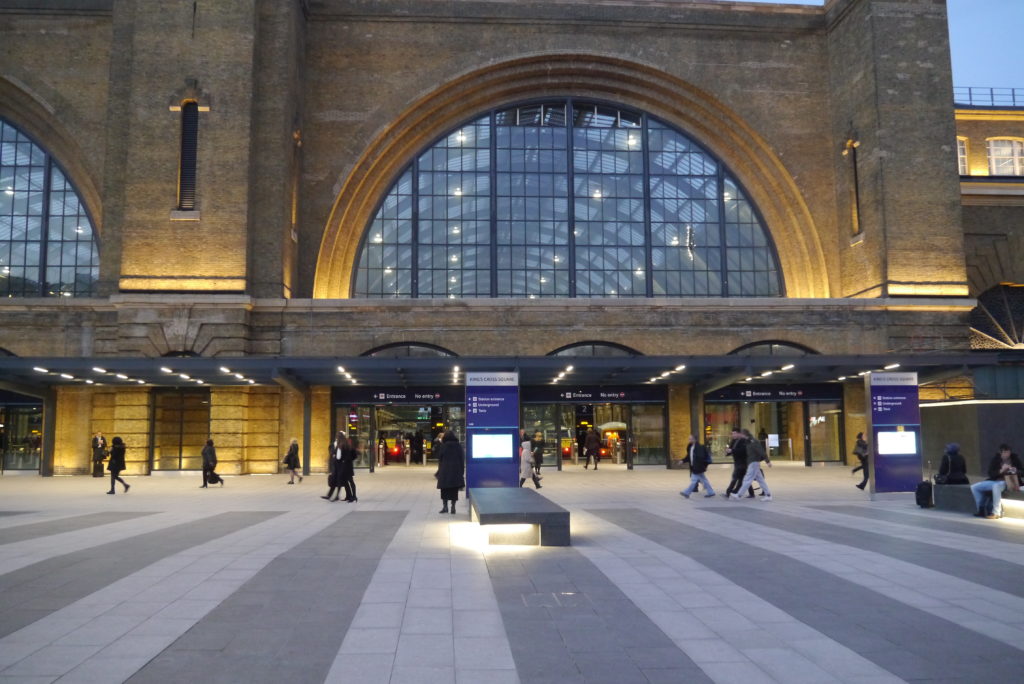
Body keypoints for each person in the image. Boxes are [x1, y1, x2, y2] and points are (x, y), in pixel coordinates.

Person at [970, 444, 1023, 519]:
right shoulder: (995, 459)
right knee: (975, 487)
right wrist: (1001, 470)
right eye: (1004, 452)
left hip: (1009, 482)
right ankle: (981, 509)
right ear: (1000, 452)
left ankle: (996, 512)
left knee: (996, 486)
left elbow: (1022, 472)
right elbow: (991, 474)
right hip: (995, 480)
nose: (1007, 454)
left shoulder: (1015, 459)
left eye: (1008, 452)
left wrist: (1015, 470)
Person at [730, 428, 772, 501]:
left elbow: (761, 451)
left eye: (741, 434)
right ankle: (768, 495)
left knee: (747, 479)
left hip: (754, 463)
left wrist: (767, 461)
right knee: (760, 480)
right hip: (752, 463)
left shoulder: (753, 442)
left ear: (744, 434)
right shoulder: (748, 442)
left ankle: (739, 495)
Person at [435, 430, 465, 514]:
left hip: (445, 471)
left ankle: (445, 507)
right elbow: (462, 459)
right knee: (454, 490)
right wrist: (461, 471)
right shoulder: (458, 446)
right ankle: (453, 507)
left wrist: (439, 471)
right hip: (455, 471)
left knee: (444, 490)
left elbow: (440, 459)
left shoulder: (443, 446)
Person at [680, 434, 715, 499]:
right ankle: (711, 492)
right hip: (695, 467)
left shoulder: (699, 447)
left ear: (694, 439)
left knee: (694, 480)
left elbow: (700, 458)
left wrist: (699, 466)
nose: (689, 440)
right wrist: (683, 460)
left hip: (698, 467)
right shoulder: (691, 447)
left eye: (690, 439)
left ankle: (687, 492)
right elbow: (689, 456)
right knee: (704, 480)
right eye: (689, 439)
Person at [723, 428, 752, 498]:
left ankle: (728, 492)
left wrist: (732, 450)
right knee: (743, 479)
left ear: (739, 433)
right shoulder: (733, 441)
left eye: (735, 433)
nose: (733, 435)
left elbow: (742, 451)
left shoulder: (743, 440)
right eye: (732, 433)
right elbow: (731, 449)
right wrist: (727, 452)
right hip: (737, 462)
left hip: (743, 462)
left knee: (735, 477)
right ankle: (751, 493)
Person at [322, 431, 346, 501]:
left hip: (339, 465)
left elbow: (339, 456)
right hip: (337, 465)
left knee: (338, 481)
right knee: (335, 480)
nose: (336, 437)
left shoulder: (342, 444)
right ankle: (330, 495)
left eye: (337, 436)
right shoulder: (337, 443)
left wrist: (335, 456)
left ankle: (336, 496)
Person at [340, 436, 358, 502]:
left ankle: (353, 496)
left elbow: (354, 456)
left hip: (347, 467)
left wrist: (348, 460)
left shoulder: (348, 448)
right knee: (346, 482)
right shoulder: (346, 448)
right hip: (347, 467)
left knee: (350, 481)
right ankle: (349, 496)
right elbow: (354, 456)